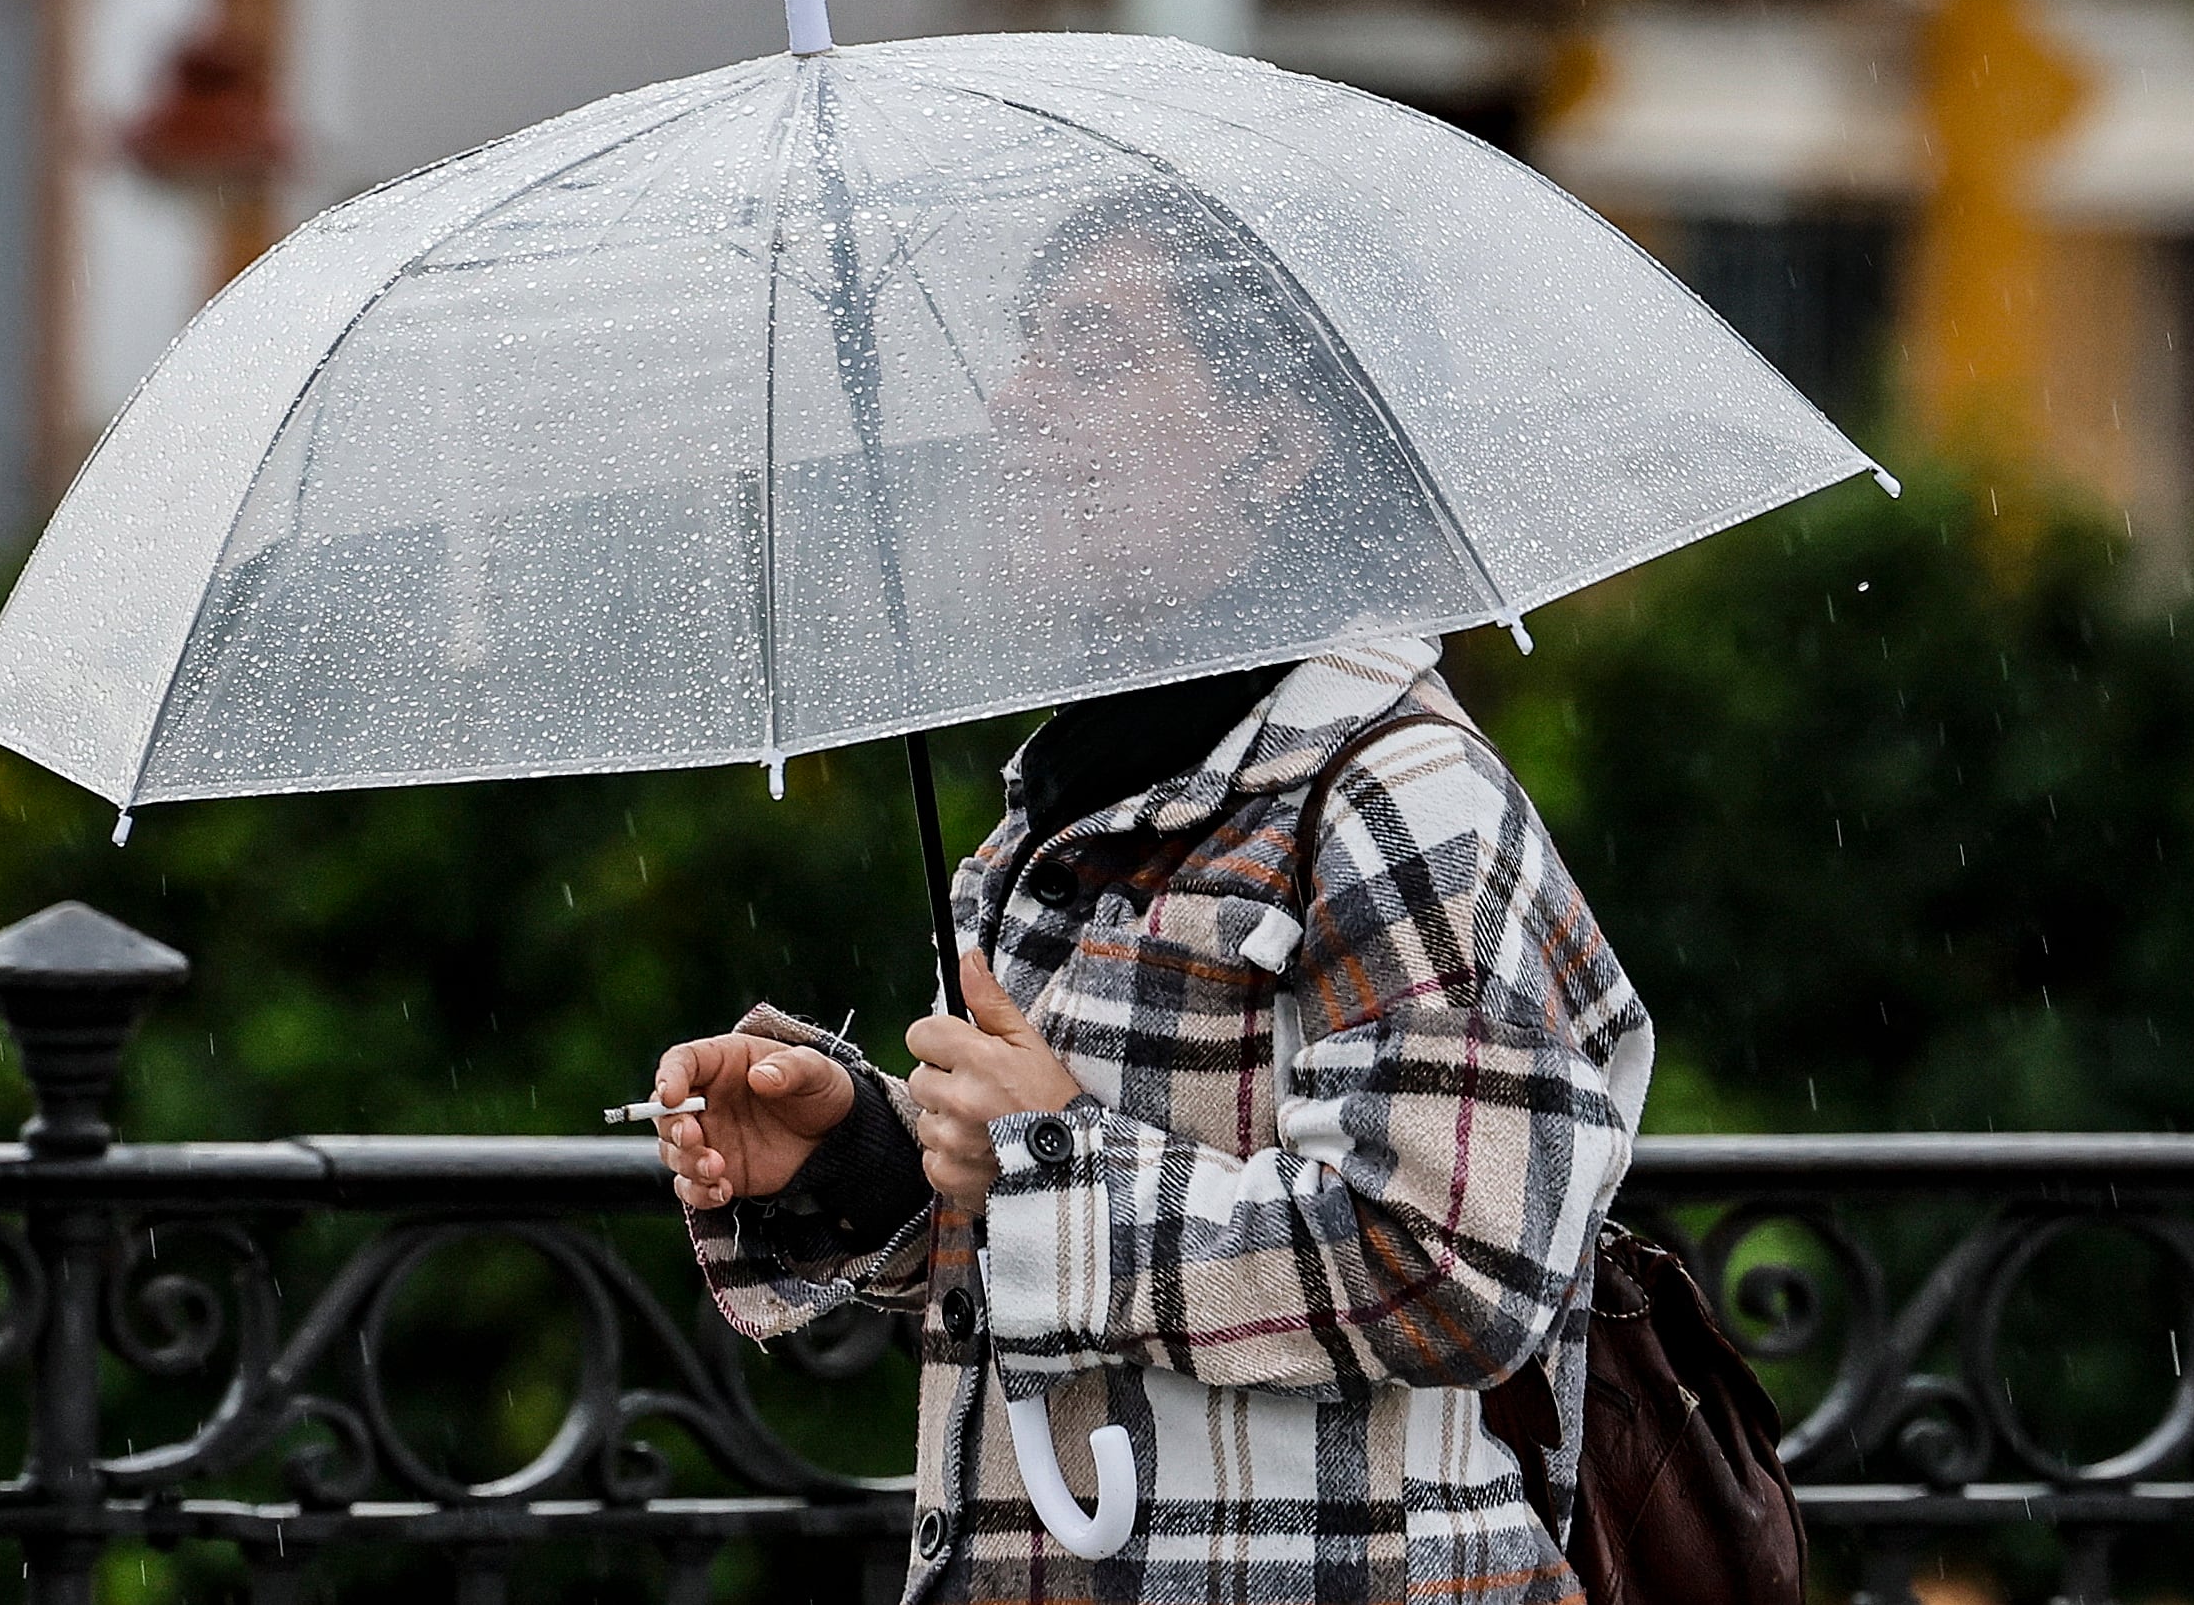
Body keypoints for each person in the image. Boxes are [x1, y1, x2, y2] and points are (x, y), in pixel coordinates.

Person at [650, 185, 1653, 1605]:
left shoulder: (1392, 792)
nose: (1014, 403)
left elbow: (1458, 1267)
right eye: (1026, 348)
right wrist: (860, 1158)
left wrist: (1043, 1161)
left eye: (1094, 351)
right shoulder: (1062, 804)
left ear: (1276, 439)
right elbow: (1024, 1230)